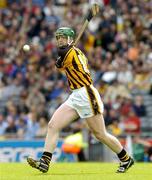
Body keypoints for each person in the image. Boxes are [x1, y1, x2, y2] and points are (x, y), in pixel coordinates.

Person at [27, 27, 134, 173]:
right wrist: (60, 62)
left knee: (100, 134)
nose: (60, 40)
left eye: (63, 37)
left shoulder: (70, 52)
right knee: (53, 125)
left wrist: (60, 60)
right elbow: (63, 62)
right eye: (58, 37)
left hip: (86, 94)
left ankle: (126, 158)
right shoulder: (71, 52)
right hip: (75, 95)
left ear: (70, 39)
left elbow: (61, 55)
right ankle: (45, 162)